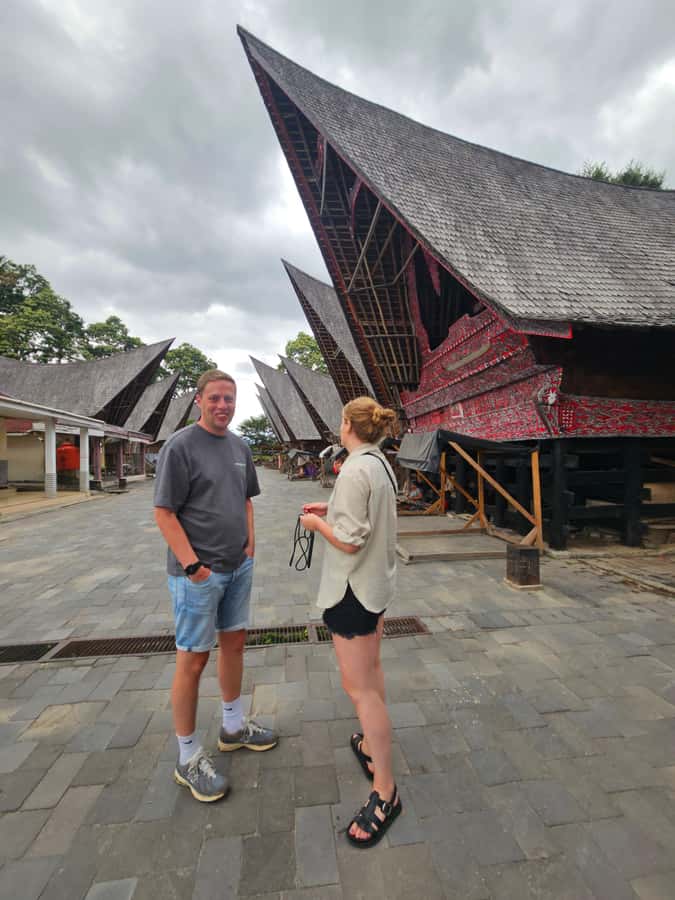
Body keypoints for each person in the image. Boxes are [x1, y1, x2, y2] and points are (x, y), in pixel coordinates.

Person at [154, 369, 277, 803]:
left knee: (235, 644)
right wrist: (193, 567)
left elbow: (245, 499)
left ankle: (232, 725)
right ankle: (187, 756)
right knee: (192, 660)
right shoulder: (180, 447)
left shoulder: (240, 446)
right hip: (198, 575)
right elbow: (165, 513)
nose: (223, 405)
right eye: (215, 398)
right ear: (199, 401)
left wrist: (250, 546)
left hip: (237, 566)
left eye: (229, 399)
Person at [300, 397, 400, 847]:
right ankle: (370, 747)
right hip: (374, 589)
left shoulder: (356, 468)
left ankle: (385, 791)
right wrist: (329, 508)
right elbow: (363, 518)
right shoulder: (377, 463)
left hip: (351, 592)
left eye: (340, 421)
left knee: (359, 689)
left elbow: (349, 541)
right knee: (371, 676)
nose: (338, 428)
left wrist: (317, 526)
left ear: (348, 426)